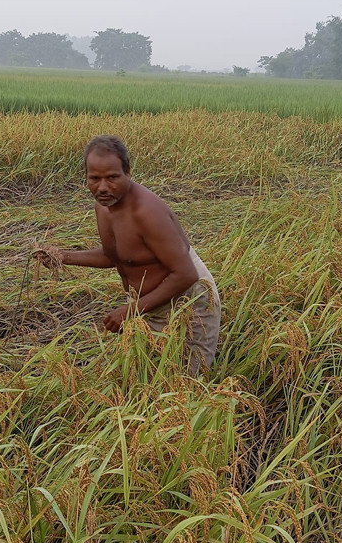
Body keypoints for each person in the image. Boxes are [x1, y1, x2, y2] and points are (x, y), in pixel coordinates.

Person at [34, 135, 221, 376]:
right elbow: (116, 256)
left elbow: (185, 274)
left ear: (128, 173)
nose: (102, 187)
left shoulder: (146, 213)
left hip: (188, 300)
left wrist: (130, 311)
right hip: (151, 304)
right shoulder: (104, 206)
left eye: (112, 178)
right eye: (95, 178)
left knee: (186, 380)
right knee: (147, 373)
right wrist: (63, 256)